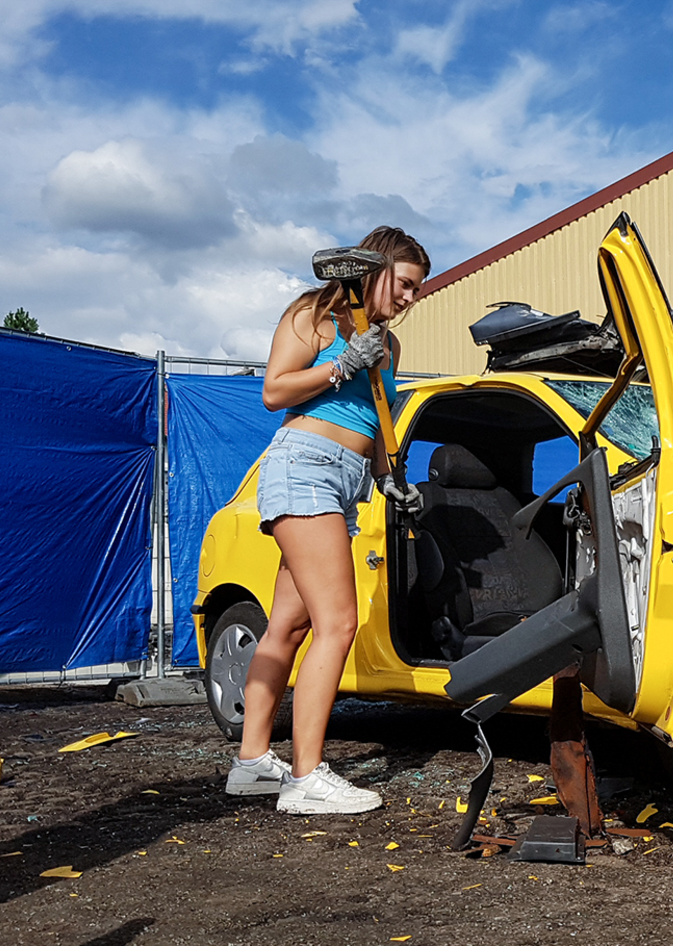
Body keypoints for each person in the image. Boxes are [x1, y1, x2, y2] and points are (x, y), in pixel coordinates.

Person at [224, 226, 430, 815]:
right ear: (375, 269)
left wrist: (391, 477)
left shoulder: (386, 345)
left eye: (419, 290)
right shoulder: (313, 315)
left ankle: (253, 762)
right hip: (304, 465)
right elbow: (274, 391)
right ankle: (307, 775)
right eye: (407, 284)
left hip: (346, 480)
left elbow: (376, 422)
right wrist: (341, 365)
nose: (412, 299)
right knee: (337, 623)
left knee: (287, 626)